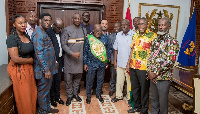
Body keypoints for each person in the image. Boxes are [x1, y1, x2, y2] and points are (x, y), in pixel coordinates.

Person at [147, 17, 179, 114]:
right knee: (154, 101)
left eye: (163, 25)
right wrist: (149, 71)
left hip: (163, 78)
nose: (160, 27)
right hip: (152, 77)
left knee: (163, 105)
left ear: (169, 26)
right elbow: (150, 57)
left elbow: (170, 61)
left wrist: (155, 73)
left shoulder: (172, 42)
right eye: (159, 25)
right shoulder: (155, 40)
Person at [6, 15, 37, 114]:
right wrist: (31, 61)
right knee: (24, 97)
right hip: (18, 69)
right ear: (14, 24)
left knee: (32, 93)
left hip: (28, 68)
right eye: (20, 23)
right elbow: (15, 59)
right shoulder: (11, 39)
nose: (23, 25)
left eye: (24, 22)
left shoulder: (26, 35)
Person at [126, 17, 157, 114]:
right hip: (133, 66)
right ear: (137, 25)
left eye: (143, 24)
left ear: (147, 24)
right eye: (139, 24)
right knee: (135, 88)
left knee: (144, 90)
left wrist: (152, 68)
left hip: (144, 68)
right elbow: (132, 50)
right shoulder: (135, 35)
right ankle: (137, 107)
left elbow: (155, 53)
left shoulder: (152, 36)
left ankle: (144, 110)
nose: (141, 26)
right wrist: (128, 64)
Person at [32, 13, 59, 114]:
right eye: (45, 20)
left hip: (49, 68)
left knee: (47, 91)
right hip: (44, 70)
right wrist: (46, 69)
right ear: (40, 21)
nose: (48, 23)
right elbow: (39, 54)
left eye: (49, 21)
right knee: (43, 92)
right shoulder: (38, 33)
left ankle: (47, 108)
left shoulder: (44, 32)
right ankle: (43, 111)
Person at [61, 13, 87, 106]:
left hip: (79, 60)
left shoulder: (84, 30)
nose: (77, 20)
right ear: (72, 19)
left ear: (81, 20)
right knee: (68, 79)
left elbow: (86, 45)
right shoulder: (67, 30)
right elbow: (63, 44)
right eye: (75, 18)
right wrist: (72, 53)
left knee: (77, 79)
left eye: (79, 18)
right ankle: (69, 96)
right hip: (69, 59)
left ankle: (75, 94)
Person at [83, 24, 112, 104]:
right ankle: (88, 95)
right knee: (89, 81)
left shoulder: (105, 38)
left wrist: (107, 61)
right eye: (96, 31)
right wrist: (85, 63)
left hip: (101, 63)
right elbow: (85, 51)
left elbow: (109, 49)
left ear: (101, 31)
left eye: (99, 31)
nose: (98, 32)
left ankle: (98, 94)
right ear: (93, 30)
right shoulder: (89, 38)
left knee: (100, 80)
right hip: (91, 63)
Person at [111, 19, 133, 102]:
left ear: (129, 25)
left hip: (129, 64)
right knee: (119, 81)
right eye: (122, 24)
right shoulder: (118, 35)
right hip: (120, 63)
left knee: (129, 82)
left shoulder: (133, 35)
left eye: (126, 24)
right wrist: (115, 61)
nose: (124, 26)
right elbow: (115, 49)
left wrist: (129, 64)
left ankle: (129, 97)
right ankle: (118, 96)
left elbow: (133, 50)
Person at [46, 18, 64, 107]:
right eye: (58, 28)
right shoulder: (48, 33)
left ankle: (57, 97)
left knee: (58, 80)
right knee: (52, 82)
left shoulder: (60, 32)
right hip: (52, 61)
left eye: (61, 28)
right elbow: (48, 50)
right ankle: (52, 98)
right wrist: (55, 61)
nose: (60, 30)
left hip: (60, 60)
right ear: (53, 25)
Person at [108, 22, 121, 96]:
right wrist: (112, 59)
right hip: (113, 60)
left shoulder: (124, 36)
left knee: (121, 77)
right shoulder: (111, 37)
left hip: (122, 61)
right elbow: (109, 49)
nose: (116, 28)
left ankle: (120, 90)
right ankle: (112, 89)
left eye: (118, 27)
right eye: (115, 27)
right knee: (113, 76)